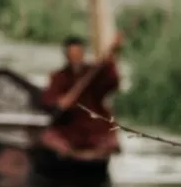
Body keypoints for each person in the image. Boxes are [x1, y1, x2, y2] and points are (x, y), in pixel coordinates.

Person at [39, 33, 123, 163]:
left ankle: (94, 155)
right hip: (69, 129)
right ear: (67, 55)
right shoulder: (58, 77)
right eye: (72, 53)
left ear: (83, 53)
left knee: (108, 139)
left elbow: (111, 83)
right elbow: (48, 100)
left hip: (92, 129)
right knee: (48, 138)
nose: (75, 56)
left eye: (78, 53)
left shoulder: (93, 72)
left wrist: (112, 57)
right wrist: (59, 102)